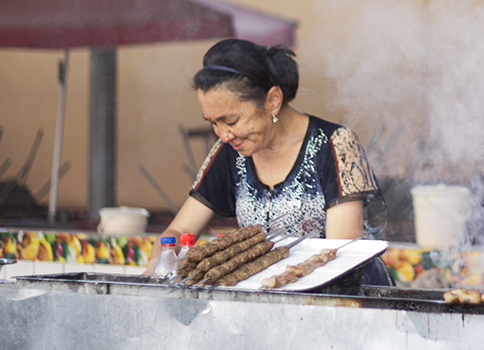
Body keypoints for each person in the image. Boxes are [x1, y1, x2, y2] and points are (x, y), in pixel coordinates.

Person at [145, 38, 392, 285]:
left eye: (230, 121)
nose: (223, 134)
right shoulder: (230, 150)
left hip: (344, 296)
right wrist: (160, 262)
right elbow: (178, 231)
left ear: (272, 101)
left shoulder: (335, 144)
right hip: (266, 295)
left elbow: (340, 254)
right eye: (213, 123)